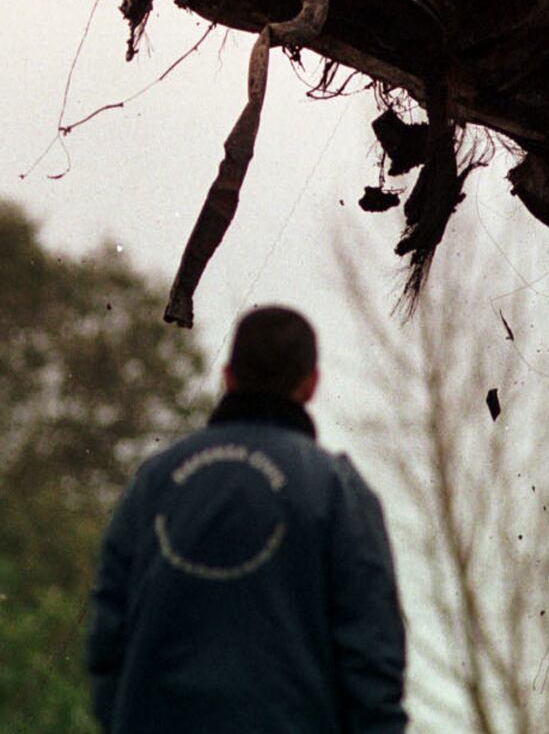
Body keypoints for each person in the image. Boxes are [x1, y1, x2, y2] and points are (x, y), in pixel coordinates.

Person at [87, 306, 406, 733]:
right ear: (311, 384)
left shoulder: (153, 481)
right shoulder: (338, 489)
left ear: (228, 377)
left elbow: (107, 635)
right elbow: (373, 653)